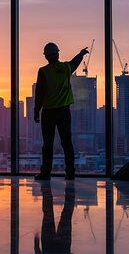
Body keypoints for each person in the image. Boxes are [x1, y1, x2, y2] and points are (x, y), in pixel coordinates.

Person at [34, 43, 89, 180]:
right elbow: (75, 62)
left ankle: (45, 173)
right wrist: (81, 53)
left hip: (48, 112)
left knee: (48, 144)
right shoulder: (65, 68)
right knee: (67, 143)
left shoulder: (43, 71)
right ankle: (70, 173)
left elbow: (39, 94)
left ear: (46, 57)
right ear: (58, 54)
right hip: (64, 111)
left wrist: (36, 111)